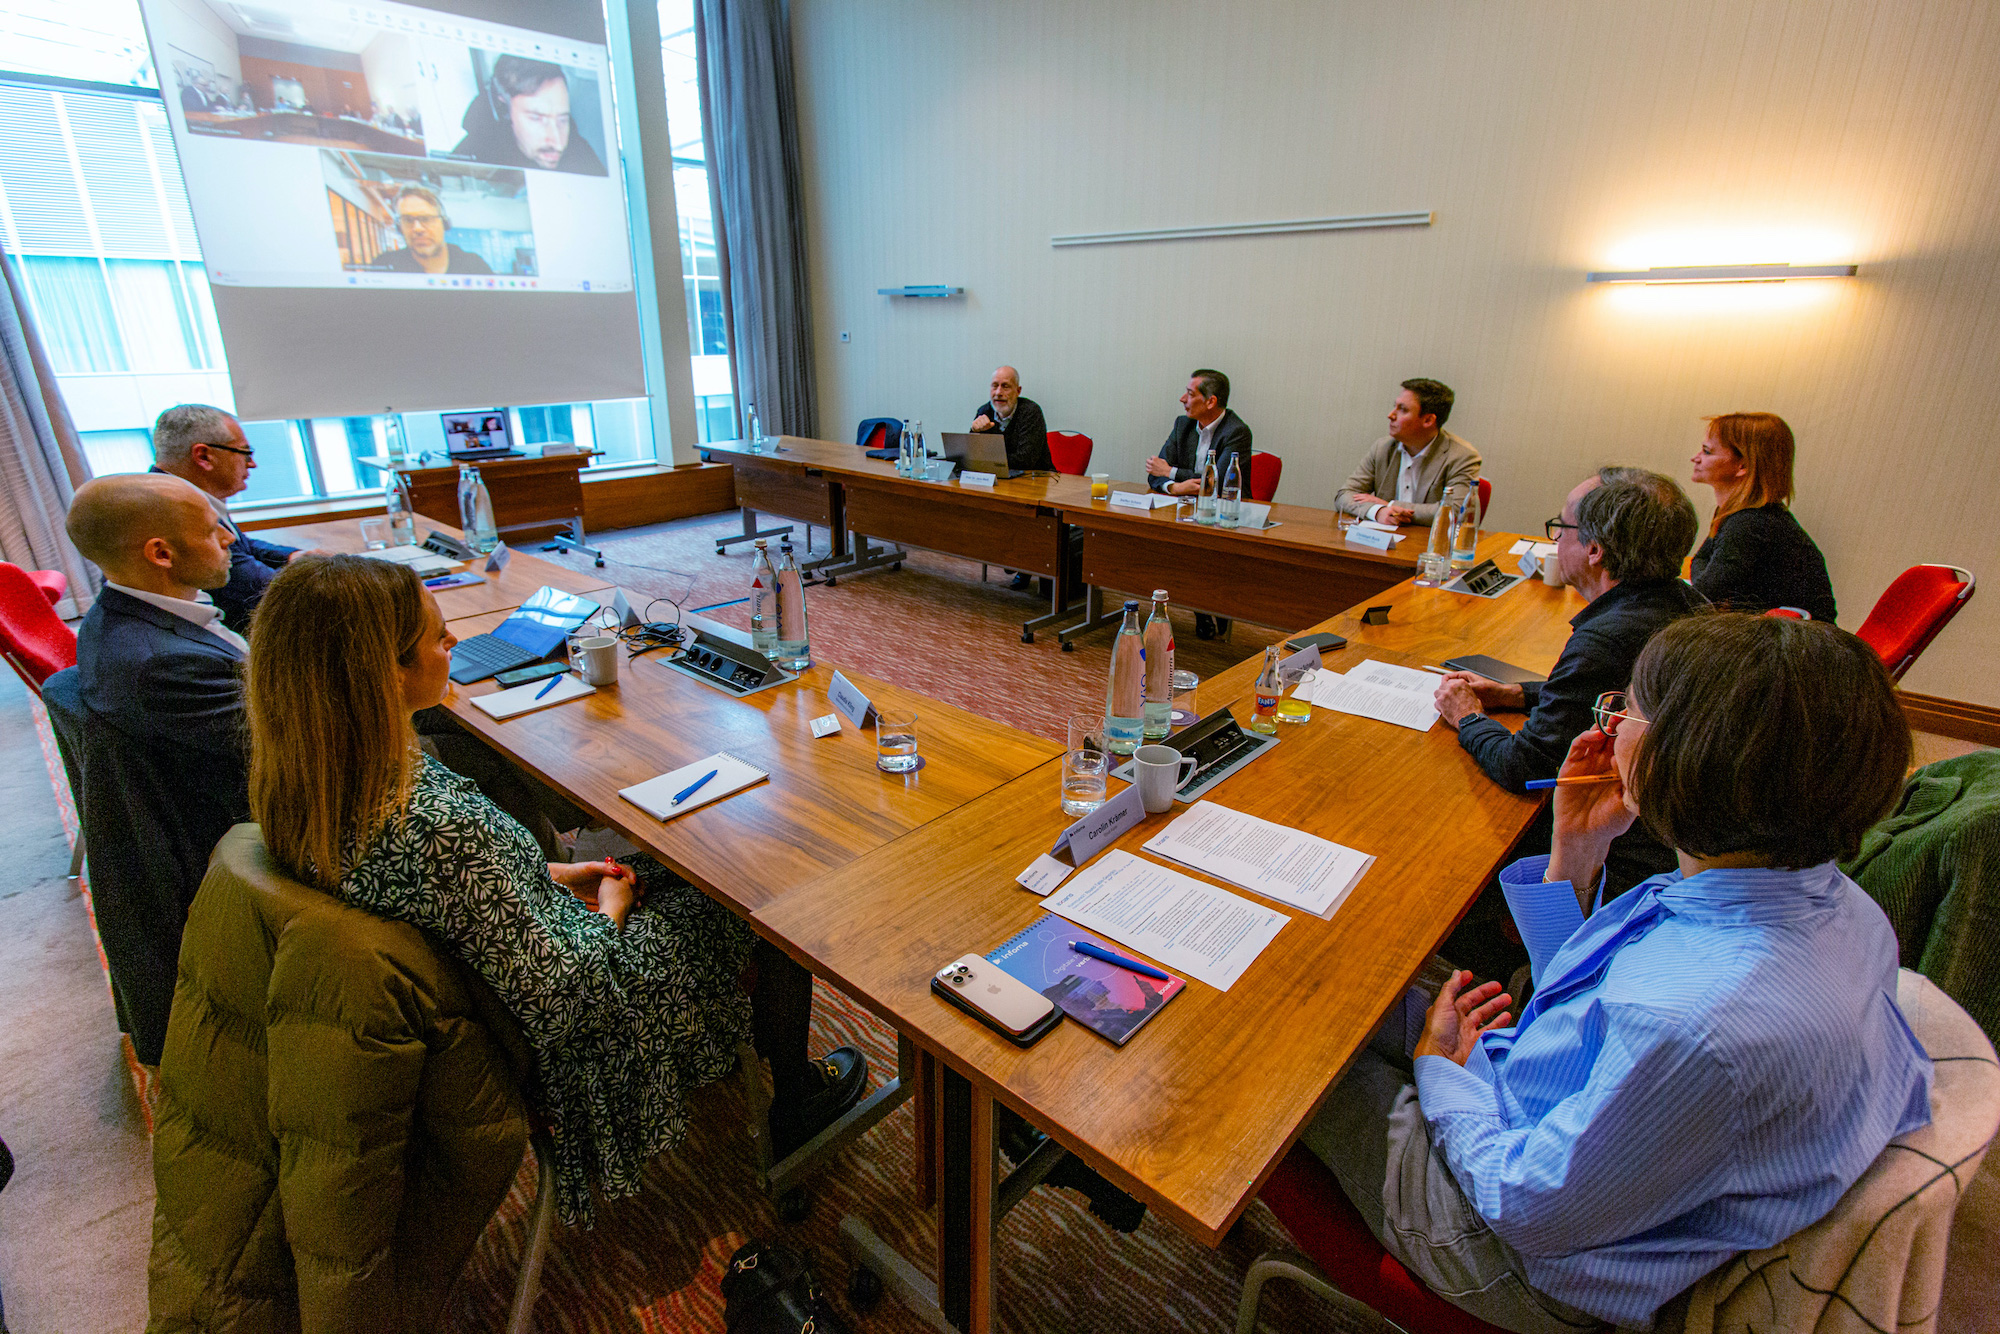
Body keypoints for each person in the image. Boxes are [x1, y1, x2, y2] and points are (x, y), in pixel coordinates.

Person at [1305, 613, 1933, 1334]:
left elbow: (1525, 1206)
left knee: (1298, 1049)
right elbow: (1586, 1001)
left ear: (1688, 757)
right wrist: (1577, 852)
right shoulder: (1824, 901)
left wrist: (1444, 1076)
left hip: (1513, 1250)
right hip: (1566, 1125)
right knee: (1341, 976)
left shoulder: (1699, 1028)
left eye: (1626, 709)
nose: (1607, 728)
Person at [243, 555, 868, 1225]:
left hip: (512, 962)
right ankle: (796, 1101)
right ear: (386, 673)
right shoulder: (437, 826)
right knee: (761, 891)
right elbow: (575, 990)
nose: (453, 645)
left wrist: (550, 873)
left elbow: (454, 896)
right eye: (437, 638)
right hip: (582, 1030)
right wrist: (610, 910)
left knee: (672, 863)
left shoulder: (314, 790)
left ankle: (755, 1043)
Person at [1434, 467, 1704, 906]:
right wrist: (1518, 694)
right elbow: (1597, 694)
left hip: (1623, 860)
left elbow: (1526, 767)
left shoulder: (1606, 639)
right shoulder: (1685, 600)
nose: (1556, 542)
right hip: (1671, 833)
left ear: (1595, 550)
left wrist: (1467, 717)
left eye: (1562, 529)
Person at [63, 474, 248, 1067]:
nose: (228, 538)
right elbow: (298, 748)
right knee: (473, 750)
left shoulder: (126, 617)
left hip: (212, 797)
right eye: (210, 528)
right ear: (161, 553)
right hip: (250, 833)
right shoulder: (158, 665)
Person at [149, 403, 305, 633]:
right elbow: (264, 591)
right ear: (204, 456)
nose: (252, 463)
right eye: (245, 453)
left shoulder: (186, 492)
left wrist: (290, 556)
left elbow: (241, 546)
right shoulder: (170, 508)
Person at [1688, 412, 1837, 622]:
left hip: (1798, 645)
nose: (1695, 458)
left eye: (1707, 451)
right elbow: (1701, 563)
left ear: (1743, 466)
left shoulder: (1750, 523)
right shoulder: (1740, 514)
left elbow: (1702, 596)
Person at [1147, 369, 1252, 638]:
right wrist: (1176, 485)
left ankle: (1211, 608)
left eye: (1190, 394)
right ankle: (1201, 609)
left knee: (1200, 552)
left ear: (1210, 402)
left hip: (1226, 517)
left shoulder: (1237, 431)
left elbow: (1214, 483)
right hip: (1184, 510)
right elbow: (1154, 472)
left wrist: (1172, 474)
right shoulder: (1182, 425)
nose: (1183, 398)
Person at [1335, 378, 1482, 527]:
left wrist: (1390, 505)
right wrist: (1378, 511)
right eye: (1395, 407)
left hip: (1428, 544)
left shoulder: (1462, 456)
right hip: (1382, 542)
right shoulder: (1383, 448)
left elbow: (1456, 511)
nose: (1391, 415)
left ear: (1428, 420)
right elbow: (1345, 495)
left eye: (1403, 410)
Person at [450, 56, 606, 175]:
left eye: (562, 120)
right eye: (537, 118)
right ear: (504, 110)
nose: (558, 143)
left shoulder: (579, 150)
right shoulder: (473, 155)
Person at [370, 186, 494, 276]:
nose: (417, 228)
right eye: (408, 220)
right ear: (399, 228)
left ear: (444, 224)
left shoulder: (474, 265)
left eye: (426, 219)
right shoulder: (385, 266)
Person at [970, 365, 1051, 474]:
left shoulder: (1030, 412)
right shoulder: (984, 411)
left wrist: (987, 460)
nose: (998, 392)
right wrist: (974, 431)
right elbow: (970, 456)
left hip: (1034, 479)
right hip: (996, 477)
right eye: (994, 386)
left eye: (1005, 386)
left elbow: (1026, 460)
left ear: (1018, 391)